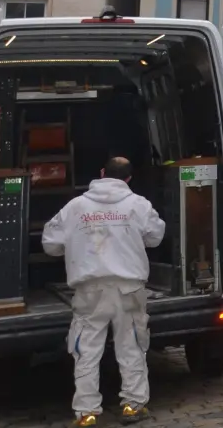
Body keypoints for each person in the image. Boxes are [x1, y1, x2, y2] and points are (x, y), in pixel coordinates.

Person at [41, 156, 166, 427]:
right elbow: (155, 237)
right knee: (131, 346)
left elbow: (50, 243)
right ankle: (133, 406)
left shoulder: (75, 207)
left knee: (86, 350)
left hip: (90, 289)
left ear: (101, 173)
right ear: (129, 178)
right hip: (129, 289)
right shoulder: (139, 205)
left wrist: (76, 244)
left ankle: (86, 412)